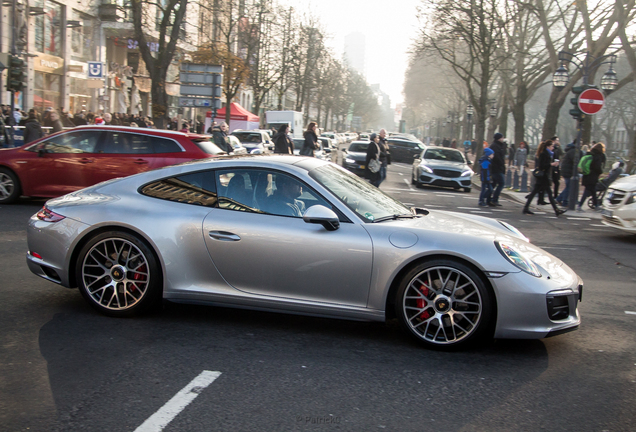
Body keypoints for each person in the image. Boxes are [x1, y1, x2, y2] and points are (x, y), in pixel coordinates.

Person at [522, 139, 566, 216]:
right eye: (552, 146)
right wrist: (551, 164)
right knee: (548, 194)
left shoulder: (547, 154)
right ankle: (556, 210)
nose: (553, 147)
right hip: (543, 177)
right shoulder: (544, 154)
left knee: (535, 193)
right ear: (548, 146)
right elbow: (542, 166)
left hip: (543, 177)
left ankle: (526, 208)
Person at [577, 142, 605, 211]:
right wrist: (600, 172)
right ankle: (580, 206)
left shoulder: (589, 154)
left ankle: (596, 205)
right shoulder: (598, 156)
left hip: (587, 175)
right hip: (593, 177)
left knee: (593, 191)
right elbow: (597, 167)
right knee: (587, 191)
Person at [556, 141, 579, 207]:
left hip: (566, 172)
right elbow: (575, 161)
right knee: (569, 187)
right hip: (569, 172)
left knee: (568, 186)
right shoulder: (573, 152)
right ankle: (563, 201)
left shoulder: (568, 152)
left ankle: (560, 199)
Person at [489, 132, 506, 206]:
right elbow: (498, 158)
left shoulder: (497, 145)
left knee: (493, 184)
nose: (503, 139)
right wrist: (501, 165)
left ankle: (488, 198)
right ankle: (494, 199)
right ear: (499, 138)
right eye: (502, 137)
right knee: (501, 183)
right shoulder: (496, 146)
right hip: (497, 168)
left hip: (496, 168)